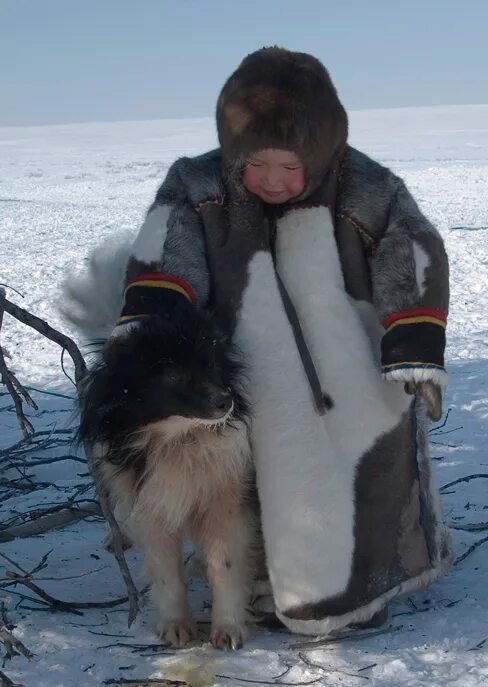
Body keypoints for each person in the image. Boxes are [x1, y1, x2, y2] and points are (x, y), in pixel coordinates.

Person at [113, 46, 452, 634]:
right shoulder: (197, 182)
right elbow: (170, 248)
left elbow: (413, 250)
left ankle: (363, 586)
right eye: (256, 164)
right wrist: (154, 322)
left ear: (320, 151)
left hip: (351, 362)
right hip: (251, 365)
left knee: (364, 469)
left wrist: (413, 343)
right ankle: (273, 581)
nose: (271, 181)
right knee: (263, 478)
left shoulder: (368, 186)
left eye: (289, 167)